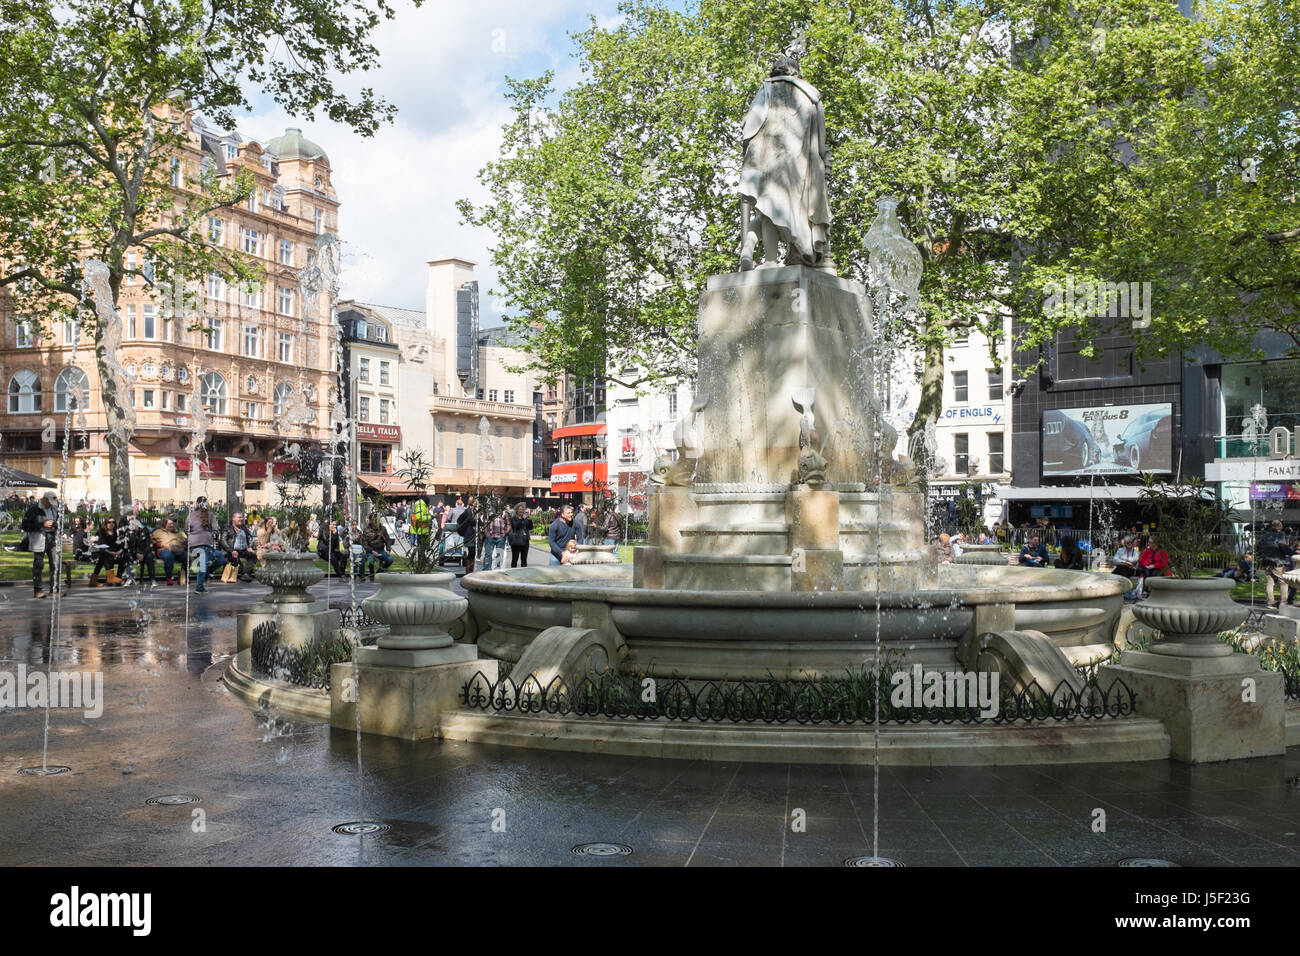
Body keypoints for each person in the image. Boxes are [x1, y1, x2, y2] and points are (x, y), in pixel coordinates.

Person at [737, 57, 831, 270]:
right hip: (798, 163)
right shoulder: (811, 95)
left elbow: (749, 125)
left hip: (764, 159)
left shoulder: (766, 89)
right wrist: (821, 160)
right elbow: (819, 138)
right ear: (796, 71)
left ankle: (761, 255)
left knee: (767, 208)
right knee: (789, 211)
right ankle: (771, 257)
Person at [23, 491, 60, 598]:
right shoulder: (34, 509)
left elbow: (56, 521)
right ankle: (38, 590)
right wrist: (42, 524)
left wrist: (55, 525)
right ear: (44, 499)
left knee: (55, 564)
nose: (51, 505)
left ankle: (54, 590)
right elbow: (25, 526)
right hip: (39, 539)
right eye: (49, 502)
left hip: (52, 539)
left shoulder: (53, 508)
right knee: (38, 565)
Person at [184, 498, 221, 593]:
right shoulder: (211, 515)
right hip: (205, 543)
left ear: (197, 503)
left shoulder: (190, 515)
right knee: (204, 564)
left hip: (193, 544)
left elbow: (186, 530)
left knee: (204, 564)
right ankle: (199, 587)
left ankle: (202, 578)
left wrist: (192, 537)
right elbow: (216, 529)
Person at [1258, 518, 1294, 608]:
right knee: (1284, 581)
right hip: (1277, 561)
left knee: (1270, 582)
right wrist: (1292, 552)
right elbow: (1283, 546)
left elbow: (1259, 547)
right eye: (1281, 525)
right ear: (1279, 526)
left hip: (1266, 561)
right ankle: (1283, 603)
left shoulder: (1265, 535)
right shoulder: (1280, 534)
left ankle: (1270, 602)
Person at [89, 516, 127, 587]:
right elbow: (101, 545)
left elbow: (122, 544)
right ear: (106, 523)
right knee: (105, 556)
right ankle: (110, 578)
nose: (111, 524)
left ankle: (118, 577)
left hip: (114, 553)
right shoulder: (102, 531)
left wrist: (119, 552)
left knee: (125, 556)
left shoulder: (116, 532)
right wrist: (111, 553)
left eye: (113, 522)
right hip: (103, 552)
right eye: (109, 522)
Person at [220, 511, 258, 582]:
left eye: (242, 517)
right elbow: (223, 541)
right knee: (236, 561)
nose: (241, 519)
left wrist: (249, 547)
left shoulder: (243, 527)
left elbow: (249, 537)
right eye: (239, 517)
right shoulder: (227, 527)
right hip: (232, 550)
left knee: (253, 556)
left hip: (243, 550)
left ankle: (245, 574)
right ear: (233, 519)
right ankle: (244, 574)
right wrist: (231, 550)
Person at [123, 511, 158, 586]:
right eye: (129, 520)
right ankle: (130, 578)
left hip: (144, 551)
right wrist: (136, 553)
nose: (131, 521)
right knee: (127, 555)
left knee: (149, 556)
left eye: (133, 519)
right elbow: (128, 546)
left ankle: (152, 579)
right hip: (133, 552)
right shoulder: (127, 531)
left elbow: (149, 544)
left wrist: (142, 554)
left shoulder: (144, 530)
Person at [152, 517, 187, 585]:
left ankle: (183, 576)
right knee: (169, 556)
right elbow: (151, 540)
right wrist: (158, 544)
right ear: (165, 524)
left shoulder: (177, 533)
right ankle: (169, 578)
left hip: (177, 550)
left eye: (173, 524)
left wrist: (184, 544)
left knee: (186, 557)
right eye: (170, 524)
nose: (172, 525)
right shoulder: (158, 532)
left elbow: (185, 541)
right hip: (164, 550)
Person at [361, 513, 394, 580]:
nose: (376, 521)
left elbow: (387, 540)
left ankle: (379, 572)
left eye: (377, 519)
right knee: (371, 561)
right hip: (371, 551)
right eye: (374, 520)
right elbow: (364, 544)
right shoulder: (366, 530)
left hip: (381, 550)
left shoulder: (383, 529)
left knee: (390, 559)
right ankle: (372, 575)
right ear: (370, 520)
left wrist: (388, 549)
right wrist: (372, 551)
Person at [481, 505, 509, 572]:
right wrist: (486, 532)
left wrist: (505, 532)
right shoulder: (488, 512)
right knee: (488, 554)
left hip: (501, 537)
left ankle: (497, 570)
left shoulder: (505, 513)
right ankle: (486, 570)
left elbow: (508, 524)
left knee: (499, 554)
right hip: (490, 536)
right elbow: (484, 523)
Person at [456, 497, 478, 572]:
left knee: (473, 553)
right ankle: (468, 571)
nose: (477, 503)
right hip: (469, 535)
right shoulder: (468, 511)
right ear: (472, 502)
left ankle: (470, 570)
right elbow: (472, 521)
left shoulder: (474, 511)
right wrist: (480, 522)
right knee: (471, 552)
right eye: (476, 502)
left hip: (473, 534)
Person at [507, 502, 532, 568]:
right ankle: (512, 573)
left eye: (523, 509)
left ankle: (523, 574)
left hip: (525, 541)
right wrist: (522, 519)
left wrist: (529, 520)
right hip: (516, 540)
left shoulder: (525, 518)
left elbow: (530, 527)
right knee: (515, 559)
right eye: (520, 509)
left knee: (524, 560)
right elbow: (515, 526)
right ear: (517, 510)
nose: (522, 511)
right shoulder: (513, 519)